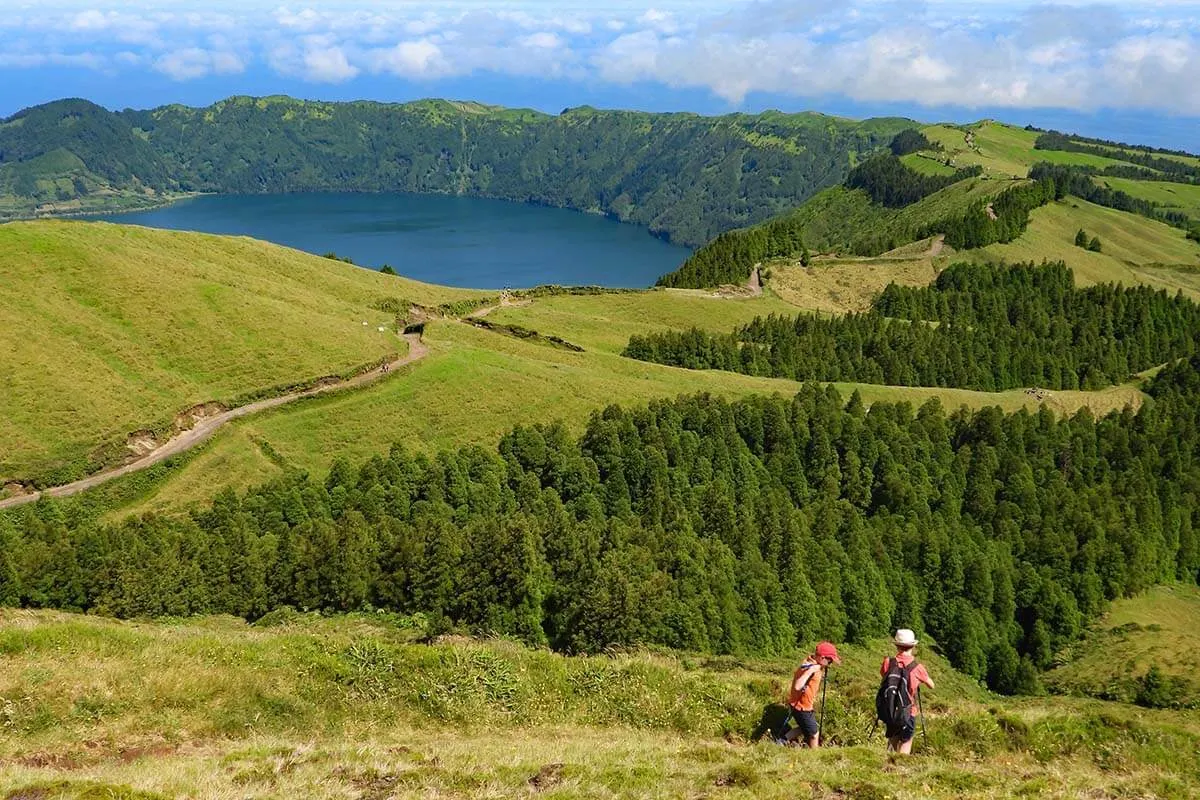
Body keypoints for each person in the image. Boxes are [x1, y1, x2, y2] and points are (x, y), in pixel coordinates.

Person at [880, 628, 935, 754]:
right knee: (906, 739)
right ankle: (901, 766)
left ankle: (888, 764)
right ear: (912, 646)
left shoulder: (888, 662)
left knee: (892, 737)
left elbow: (883, 676)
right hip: (908, 710)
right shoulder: (917, 667)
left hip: (891, 708)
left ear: (897, 646)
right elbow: (932, 685)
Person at [779, 641, 841, 748]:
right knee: (814, 734)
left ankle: (781, 741)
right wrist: (811, 670)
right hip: (802, 707)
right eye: (830, 661)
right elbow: (798, 686)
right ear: (822, 658)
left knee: (805, 728)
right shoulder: (811, 668)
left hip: (798, 704)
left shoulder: (809, 662)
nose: (830, 664)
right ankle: (814, 756)